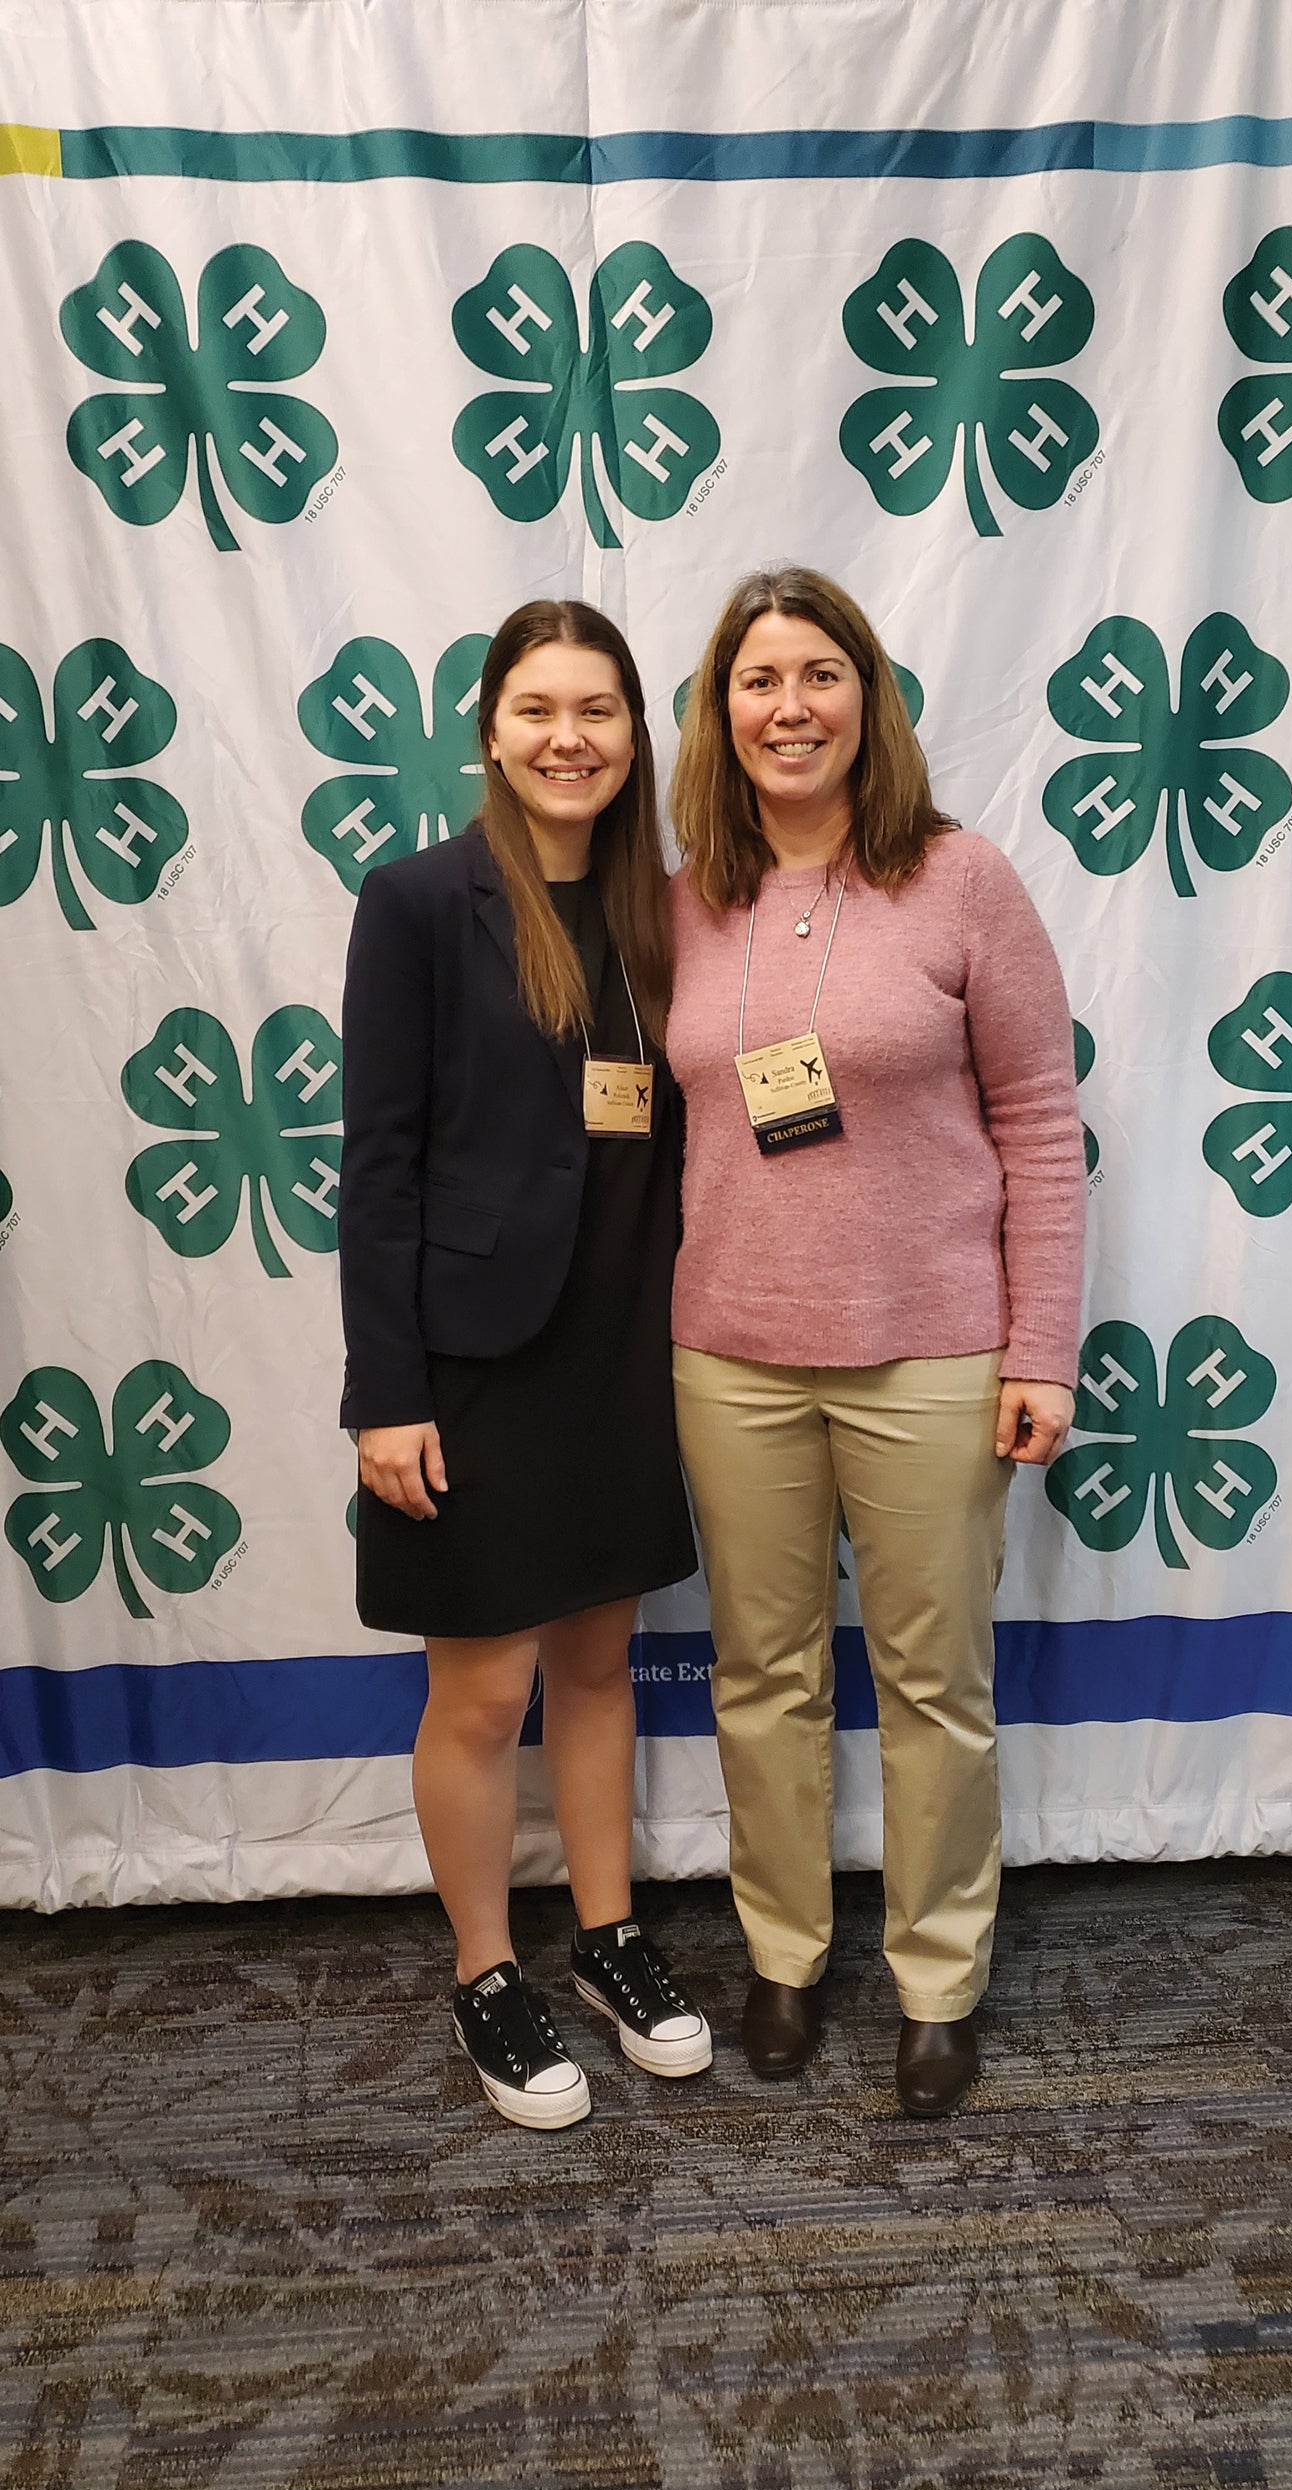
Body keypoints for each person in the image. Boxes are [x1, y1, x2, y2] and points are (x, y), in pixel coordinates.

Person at [667, 566, 1085, 2116]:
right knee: (760, 1677)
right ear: (722, 712)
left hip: (929, 1352)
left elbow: (1041, 1126)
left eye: (819, 674)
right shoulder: (681, 898)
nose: (789, 707)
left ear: (869, 698)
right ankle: (781, 1955)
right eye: (757, 680)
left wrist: (1038, 1348)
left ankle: (935, 1979)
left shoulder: (963, 882)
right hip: (729, 1354)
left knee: (931, 1682)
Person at [339, 599, 710, 2131]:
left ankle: (611, 1937)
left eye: (600, 711)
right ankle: (488, 1969)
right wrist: (387, 1390)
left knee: (599, 1668)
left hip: (624, 1346)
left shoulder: (669, 913)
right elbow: (378, 1161)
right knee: (482, 1695)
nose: (570, 737)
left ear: (635, 738)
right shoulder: (421, 900)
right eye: (540, 708)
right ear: (490, 726)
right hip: (471, 1361)